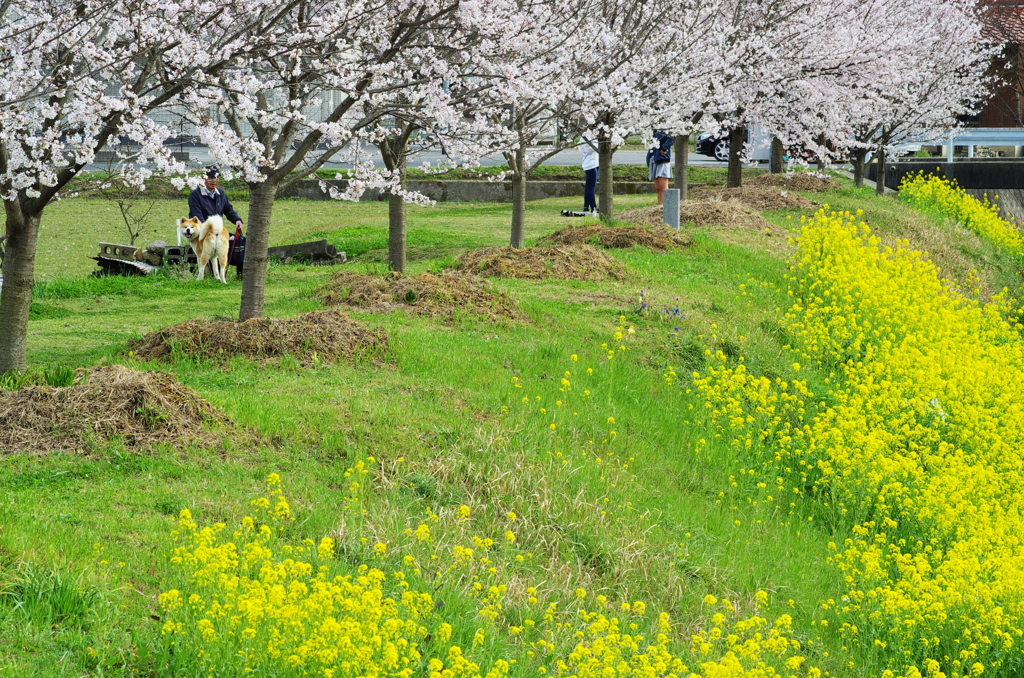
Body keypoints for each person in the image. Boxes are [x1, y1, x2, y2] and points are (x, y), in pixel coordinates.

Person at [647, 130, 673, 205]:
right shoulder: (655, 132)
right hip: (654, 161)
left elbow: (673, 137)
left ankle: (667, 207)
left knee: (663, 188)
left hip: (662, 161)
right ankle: (660, 206)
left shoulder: (665, 130)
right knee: (658, 188)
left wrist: (664, 148)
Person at [580, 132, 599, 216]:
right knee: (591, 187)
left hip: (595, 163)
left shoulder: (594, 135)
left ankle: (586, 207)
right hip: (590, 165)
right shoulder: (585, 136)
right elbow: (589, 150)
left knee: (588, 187)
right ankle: (593, 208)